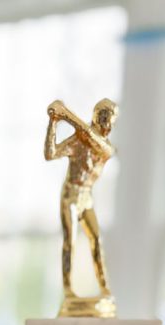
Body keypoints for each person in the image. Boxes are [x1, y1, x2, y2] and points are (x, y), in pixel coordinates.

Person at [44, 98, 119, 311]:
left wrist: (66, 113)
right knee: (70, 241)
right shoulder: (78, 140)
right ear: (96, 117)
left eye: (109, 118)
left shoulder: (106, 147)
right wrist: (53, 122)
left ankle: (104, 288)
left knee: (96, 239)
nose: (106, 123)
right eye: (103, 117)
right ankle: (68, 289)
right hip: (70, 194)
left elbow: (94, 140)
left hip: (87, 197)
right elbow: (51, 154)